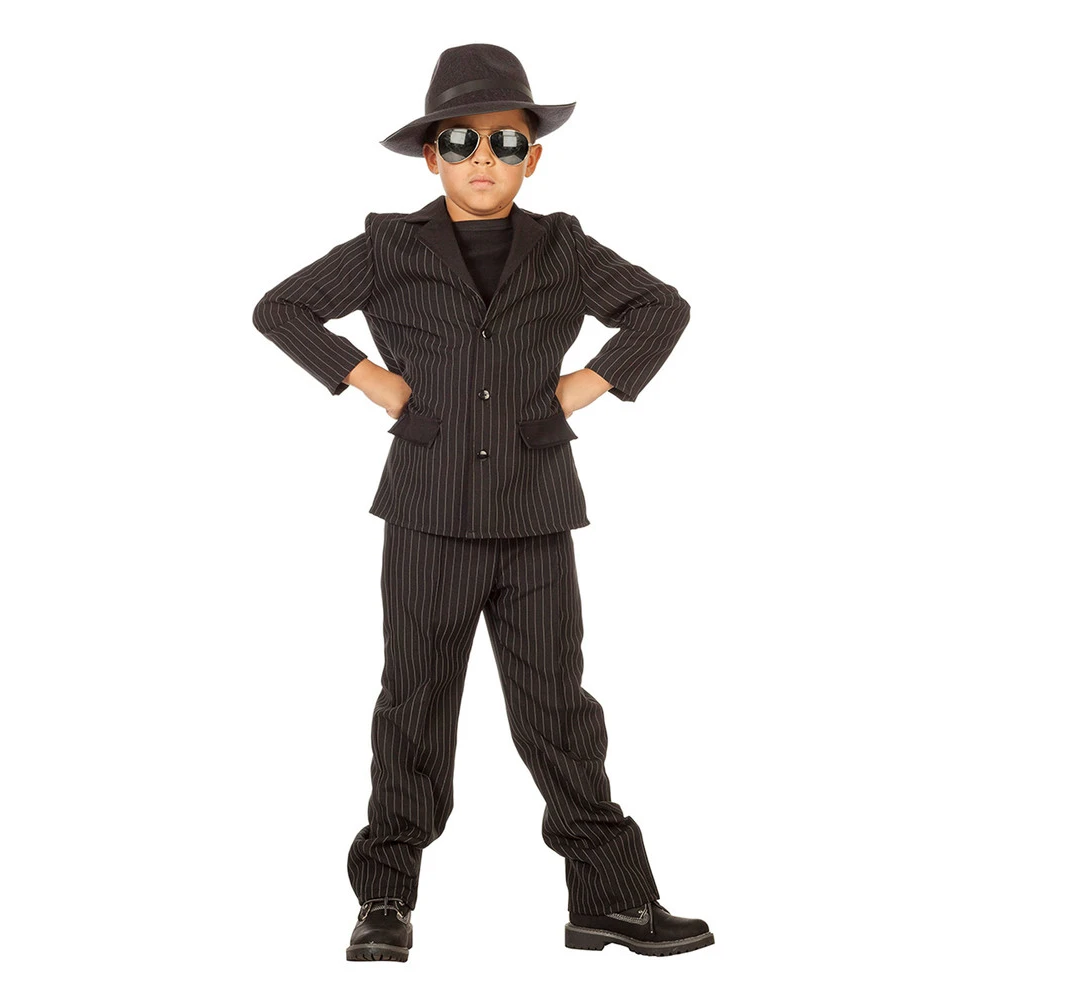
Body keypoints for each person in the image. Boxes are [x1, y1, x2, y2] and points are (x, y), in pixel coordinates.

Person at [251, 43, 714, 961]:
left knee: (559, 711)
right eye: (460, 141)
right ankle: (385, 898)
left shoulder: (564, 248)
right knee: (414, 705)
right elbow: (281, 308)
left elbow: (662, 307)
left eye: (505, 142)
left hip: (536, 512)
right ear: (432, 155)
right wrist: (374, 381)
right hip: (426, 511)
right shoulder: (388, 246)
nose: (482, 159)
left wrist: (585, 386)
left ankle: (612, 901)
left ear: (531, 157)